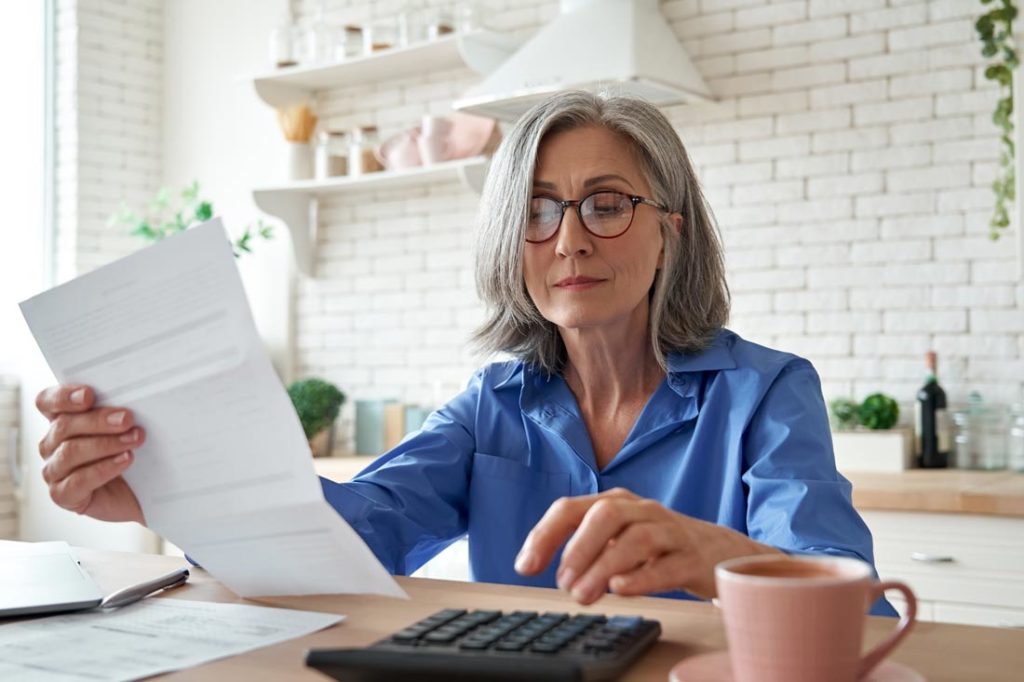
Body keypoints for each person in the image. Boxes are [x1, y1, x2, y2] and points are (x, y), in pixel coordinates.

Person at [34, 91, 896, 615]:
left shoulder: (766, 393)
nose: (568, 241)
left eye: (605, 204)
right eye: (537, 210)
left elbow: (848, 594)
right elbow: (355, 535)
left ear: (668, 233)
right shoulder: (493, 405)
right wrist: (167, 489)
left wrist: (713, 556)